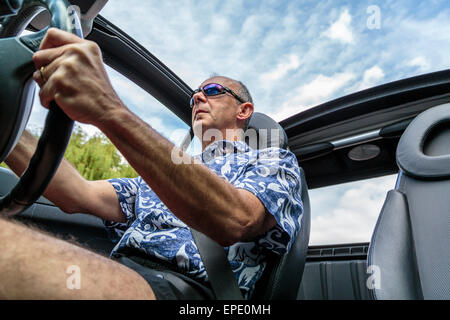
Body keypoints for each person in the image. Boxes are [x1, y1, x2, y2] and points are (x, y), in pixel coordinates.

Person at [0, 28, 303, 300]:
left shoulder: (273, 160)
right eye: (194, 95)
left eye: (212, 91)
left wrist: (109, 109)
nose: (197, 96)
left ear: (243, 110)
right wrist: (6, 122)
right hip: (121, 271)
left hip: (186, 289)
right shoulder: (163, 173)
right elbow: (76, 193)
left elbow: (238, 219)